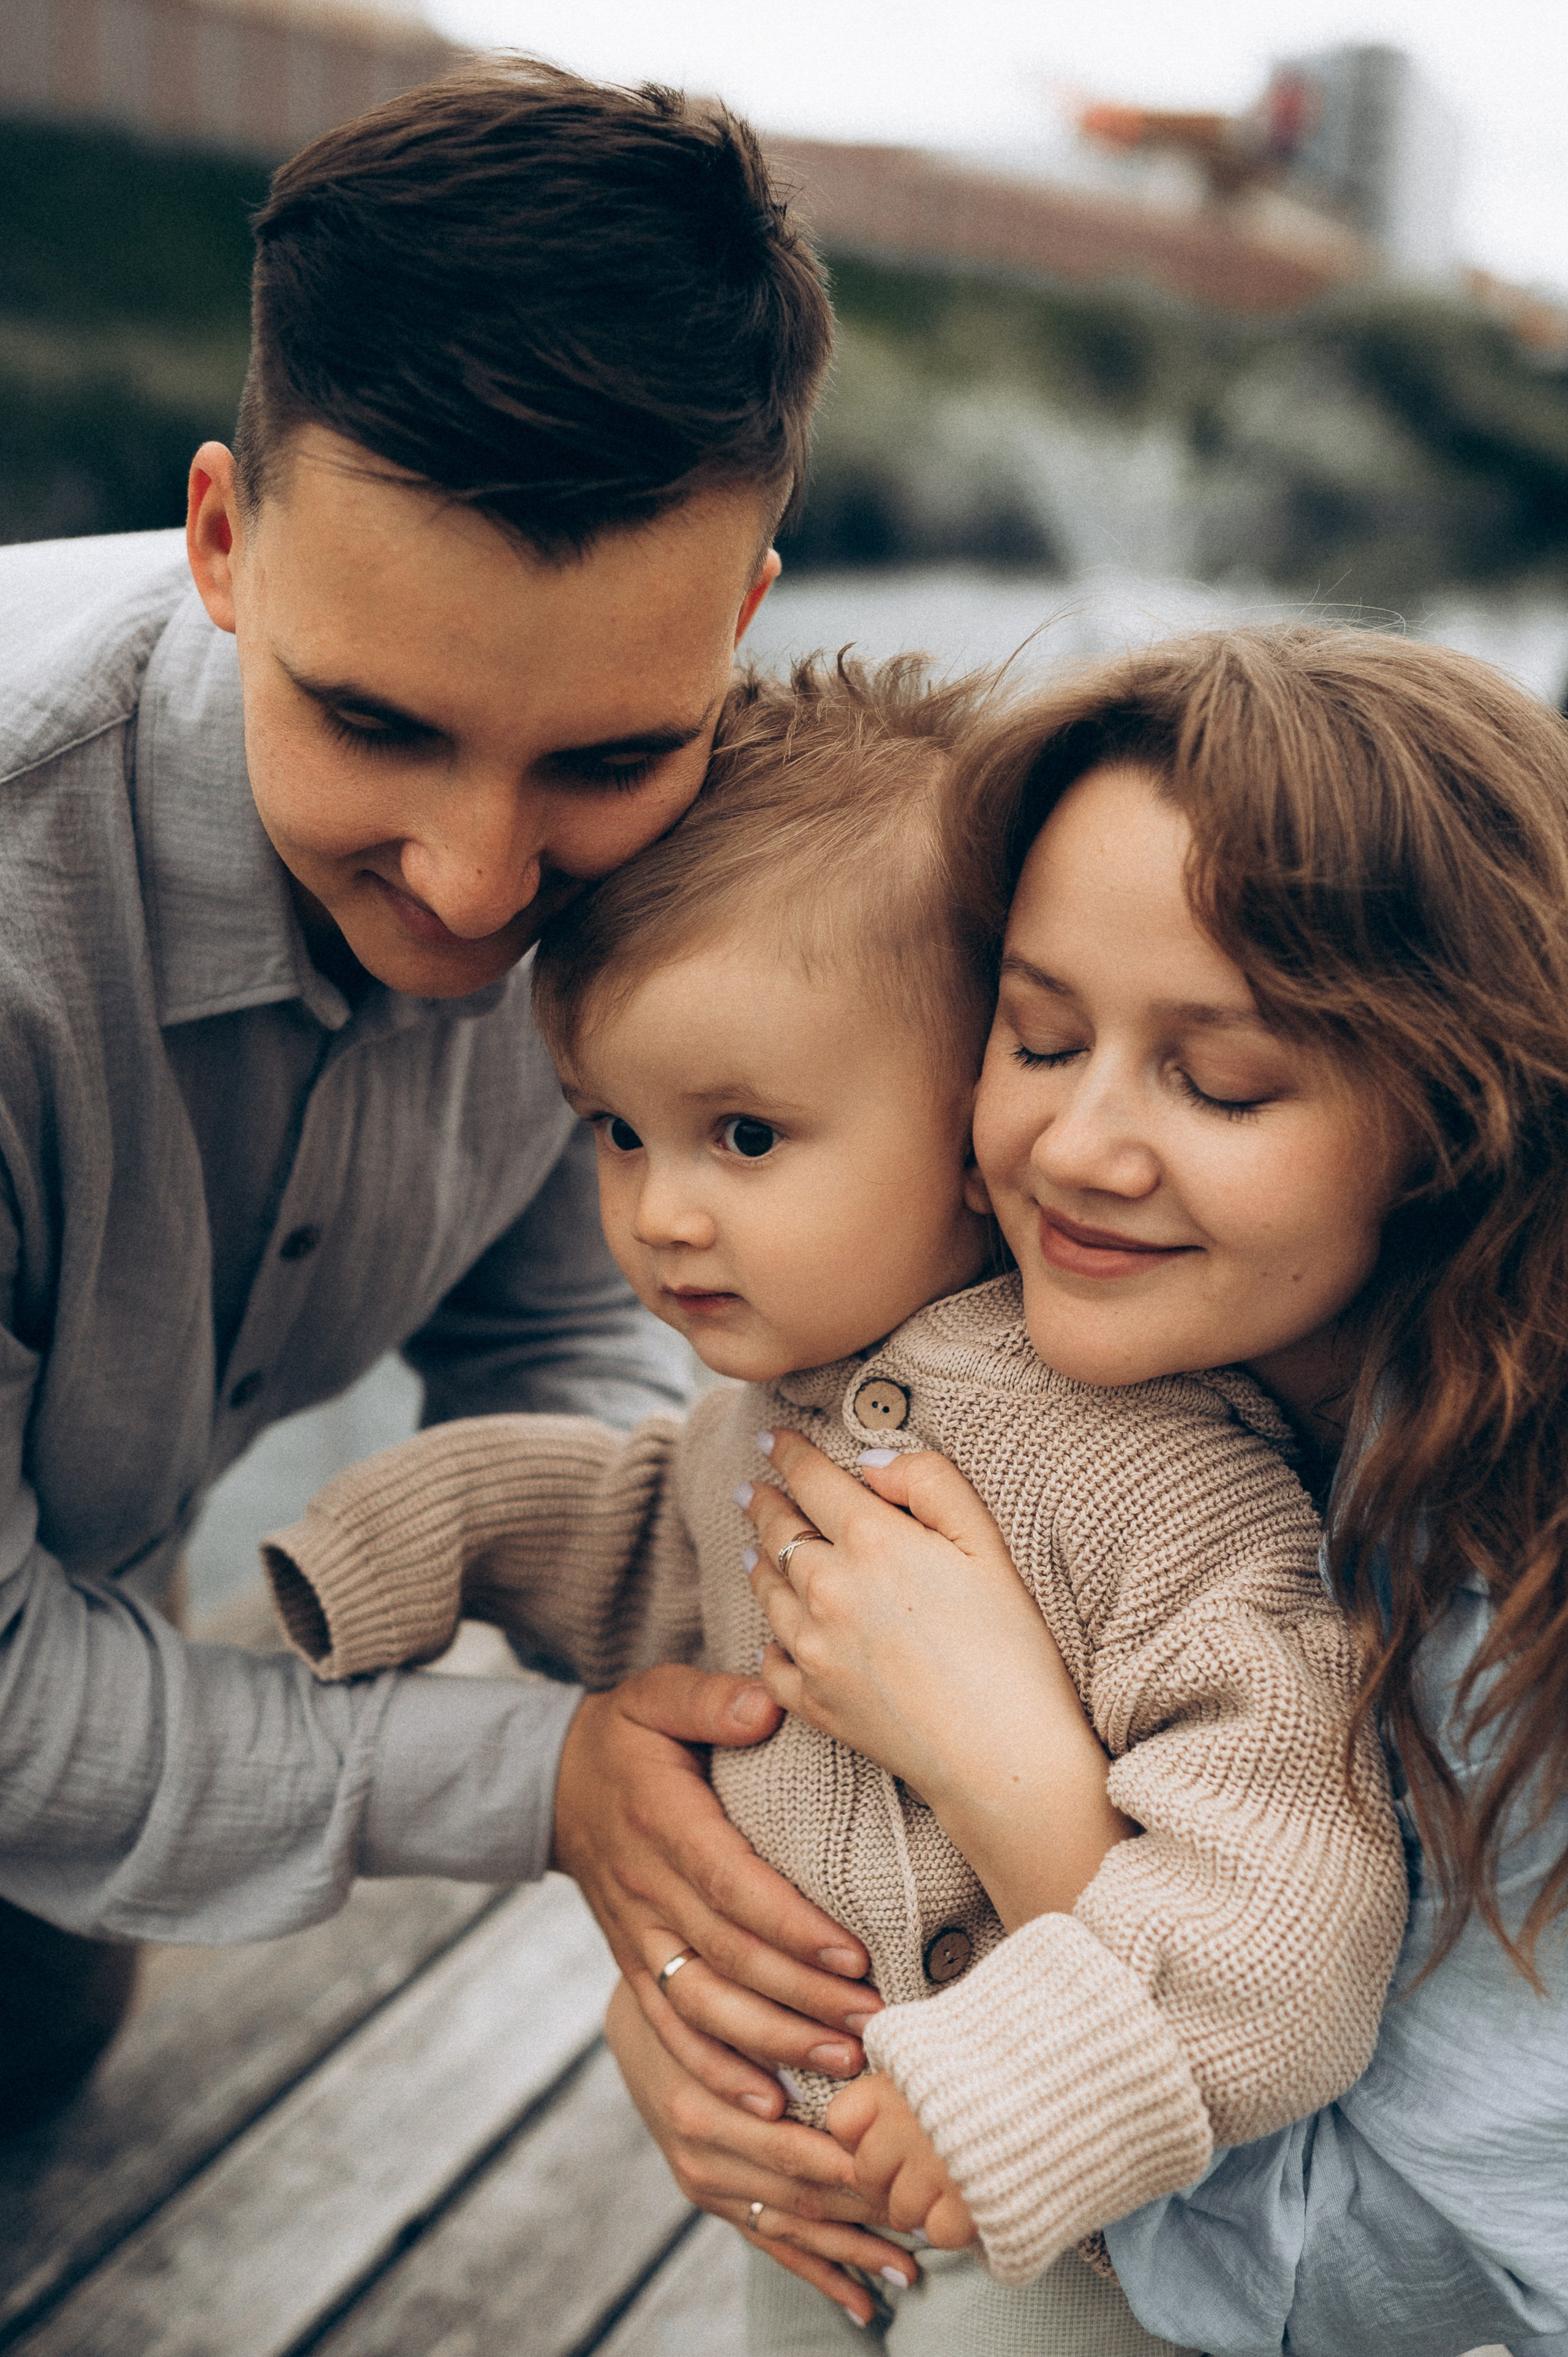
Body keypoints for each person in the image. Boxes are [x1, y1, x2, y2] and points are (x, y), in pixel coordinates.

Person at [261, 648, 1409, 2350]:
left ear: (967, 1124)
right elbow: (642, 1534)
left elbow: (1294, 1872)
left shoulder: (1143, 1461)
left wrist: (1021, 2082)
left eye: (741, 1136)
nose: (658, 1214)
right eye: (614, 1133)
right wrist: (426, 1531)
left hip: (1060, 2219)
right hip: (807, 2185)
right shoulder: (762, 1421)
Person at [0, 55, 900, 2145]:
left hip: (83, 1597)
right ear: (221, 538)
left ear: (742, 617)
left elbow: (563, 1324)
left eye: (605, 758)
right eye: (377, 726)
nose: (482, 887)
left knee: (41, 2070)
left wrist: (683, 1640)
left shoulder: (712, 842)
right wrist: (554, 1781)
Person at [721, 625, 1568, 2356]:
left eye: (1221, 1081)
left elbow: (1394, 2273)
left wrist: (1020, 1791)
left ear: (1458, 1115)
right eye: (1038, 1039)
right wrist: (693, 1998)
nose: (1076, 1151)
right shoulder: (986, 1359)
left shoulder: (1514, 1595)